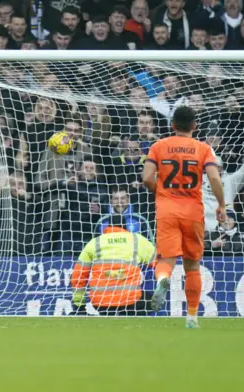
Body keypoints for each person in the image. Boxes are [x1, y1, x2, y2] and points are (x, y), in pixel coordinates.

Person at [141, 106, 226, 328]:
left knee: (165, 260)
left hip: (167, 210)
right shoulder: (204, 149)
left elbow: (146, 176)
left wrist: (159, 190)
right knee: (192, 265)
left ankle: (162, 280)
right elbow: (215, 180)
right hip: (193, 212)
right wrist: (221, 205)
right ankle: (191, 318)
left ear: (172, 125)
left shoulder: (159, 146)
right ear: (195, 126)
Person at [71, 214, 156, 316]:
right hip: (130, 300)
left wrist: (79, 304)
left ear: (108, 226)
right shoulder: (137, 240)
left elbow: (78, 276)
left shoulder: (95, 242)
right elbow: (159, 262)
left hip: (101, 302)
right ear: (125, 226)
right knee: (152, 301)